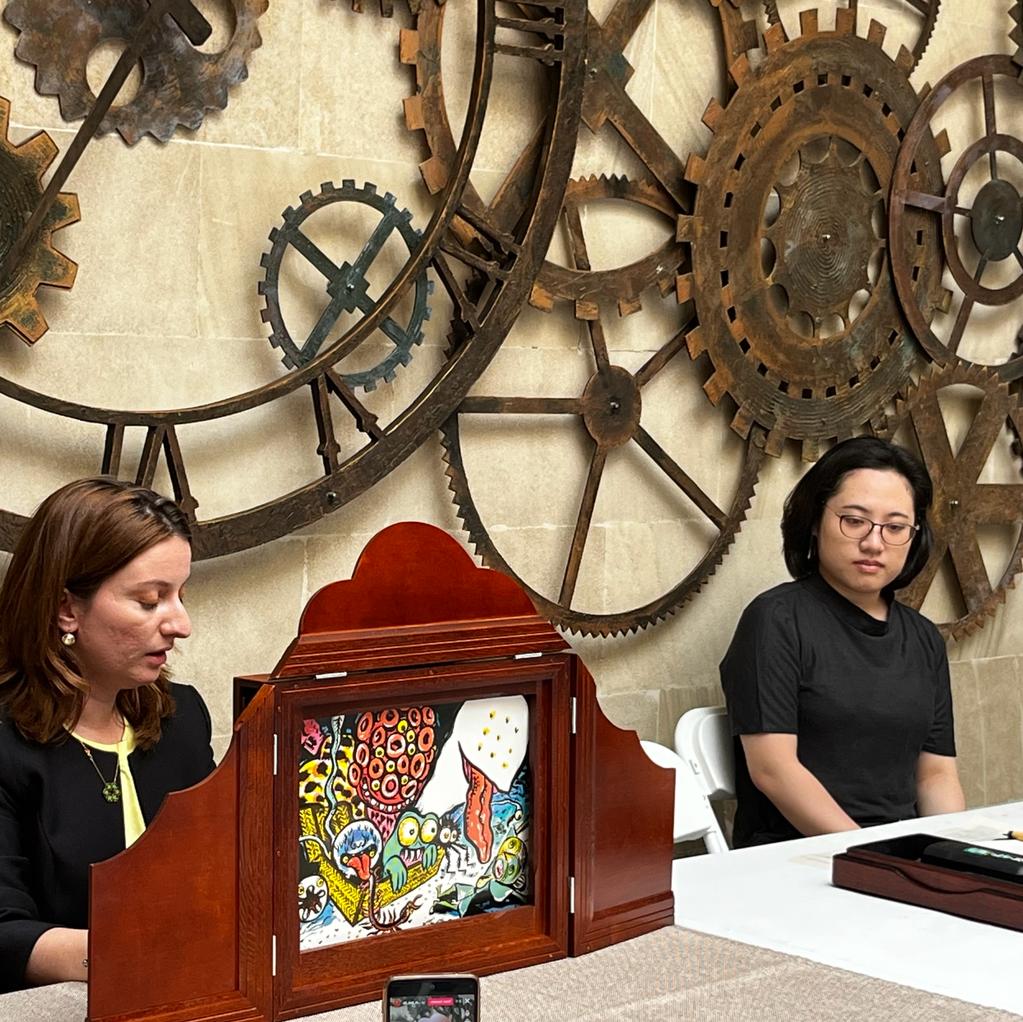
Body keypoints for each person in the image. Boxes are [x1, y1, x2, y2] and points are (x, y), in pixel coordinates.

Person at [0, 477, 215, 992]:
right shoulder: (6, 743)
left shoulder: (183, 716)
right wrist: (136, 956)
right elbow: (4, 932)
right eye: (150, 600)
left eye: (180, 595)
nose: (181, 625)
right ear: (66, 609)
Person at [721, 436, 965, 848]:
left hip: (898, 854)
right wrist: (873, 856)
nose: (874, 543)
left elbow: (936, 775)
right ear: (815, 521)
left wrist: (950, 854)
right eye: (854, 521)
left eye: (895, 527)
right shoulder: (776, 620)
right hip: (796, 856)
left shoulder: (924, 639)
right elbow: (773, 771)